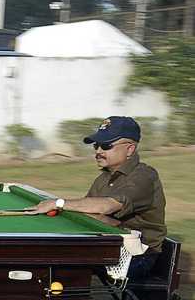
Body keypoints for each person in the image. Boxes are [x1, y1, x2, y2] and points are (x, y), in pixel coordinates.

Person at [25, 116, 166, 279]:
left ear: (130, 149)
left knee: (61, 265)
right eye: (96, 145)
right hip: (110, 245)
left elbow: (107, 206)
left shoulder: (144, 176)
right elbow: (90, 211)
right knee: (51, 255)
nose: (98, 151)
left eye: (106, 145)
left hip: (138, 256)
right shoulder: (104, 178)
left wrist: (58, 203)